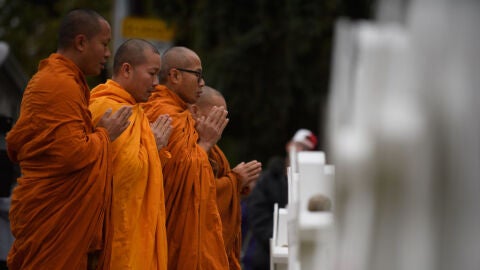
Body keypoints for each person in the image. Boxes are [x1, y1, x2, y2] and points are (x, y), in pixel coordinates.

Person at [5, 8, 132, 270]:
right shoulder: (57, 84)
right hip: (51, 217)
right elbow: (70, 154)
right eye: (104, 44)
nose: (108, 53)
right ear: (82, 42)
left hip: (61, 217)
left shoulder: (67, 82)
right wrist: (105, 135)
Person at [142, 46, 229, 270]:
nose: (201, 83)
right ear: (175, 75)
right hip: (169, 233)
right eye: (197, 75)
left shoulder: (183, 116)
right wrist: (207, 143)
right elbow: (181, 177)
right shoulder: (165, 115)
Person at [89, 38, 172, 270]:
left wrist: (153, 151)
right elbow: (123, 176)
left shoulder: (136, 112)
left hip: (138, 233)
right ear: (127, 69)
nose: (156, 83)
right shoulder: (106, 108)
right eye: (152, 73)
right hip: (118, 236)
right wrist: (153, 148)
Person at [189, 85, 262, 270]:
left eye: (225, 117)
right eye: (217, 115)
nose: (222, 123)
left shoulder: (214, 150)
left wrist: (236, 181)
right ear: (195, 111)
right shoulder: (185, 142)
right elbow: (192, 193)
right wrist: (235, 179)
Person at [246, 129, 318, 270]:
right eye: (299, 145)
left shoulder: (312, 183)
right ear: (289, 145)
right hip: (264, 258)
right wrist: (278, 241)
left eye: (307, 149)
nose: (302, 151)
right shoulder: (267, 179)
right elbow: (256, 213)